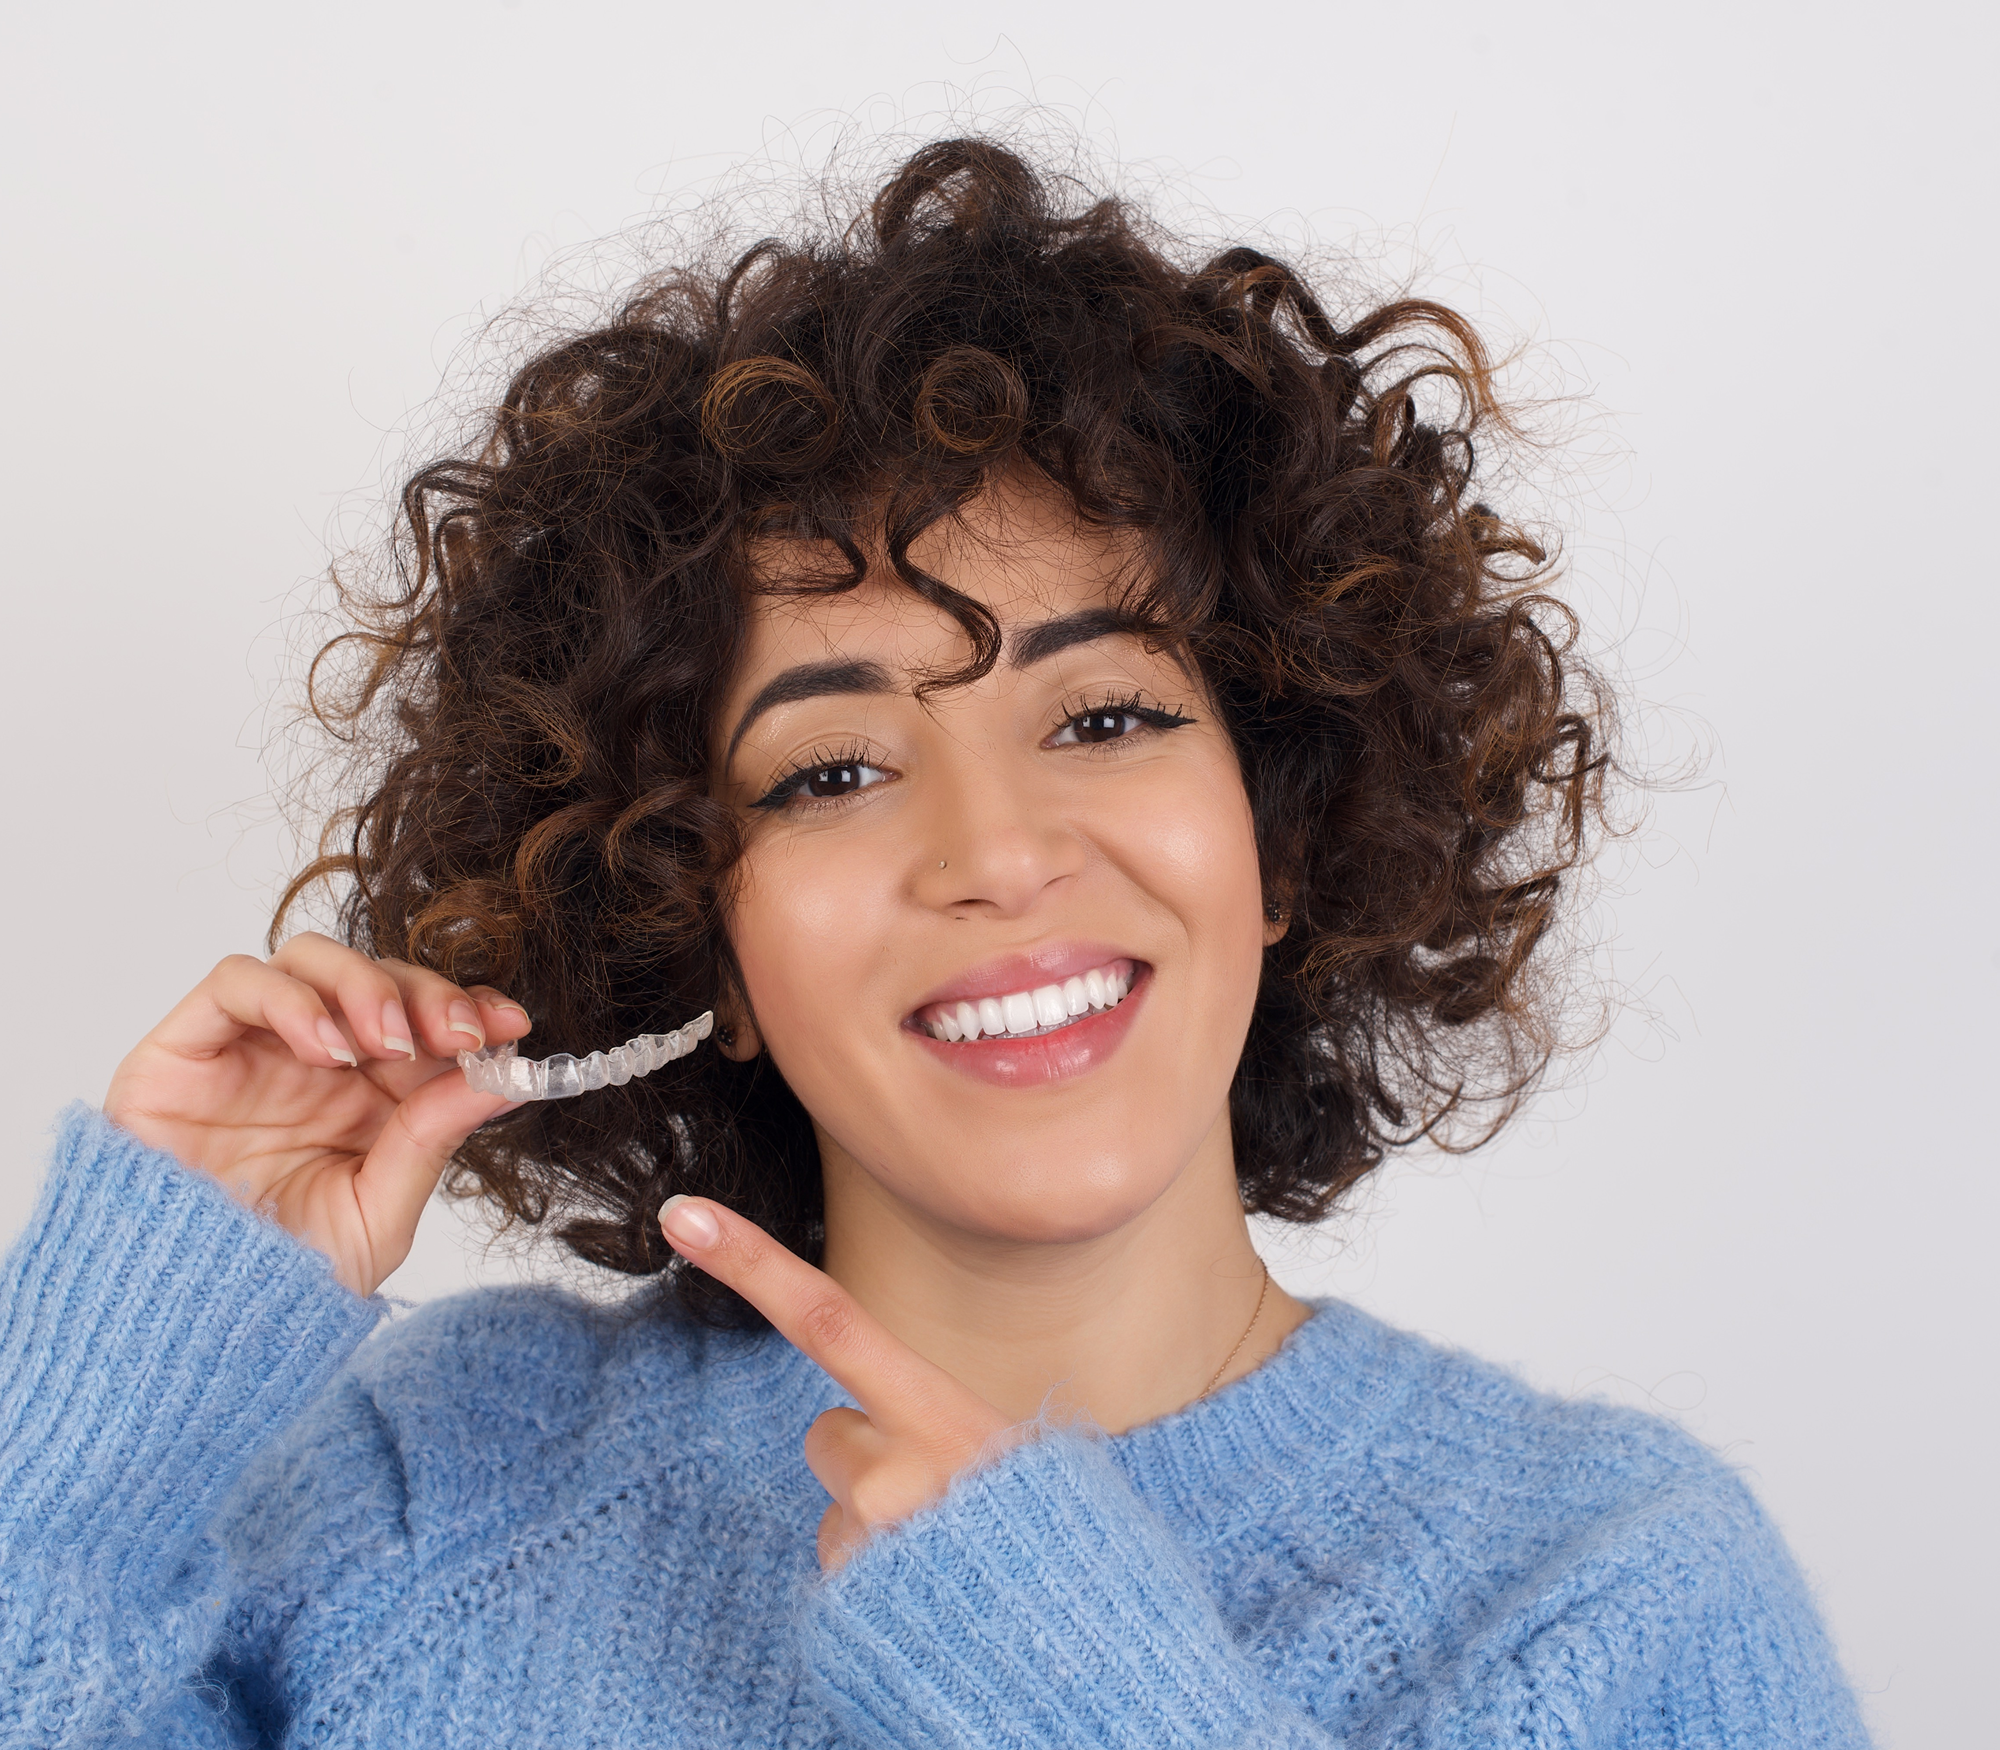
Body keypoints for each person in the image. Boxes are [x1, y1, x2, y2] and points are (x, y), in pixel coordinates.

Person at [0, 139, 1870, 1747]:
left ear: (1282, 830)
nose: (994, 853)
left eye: (1109, 717)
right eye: (829, 770)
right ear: (698, 931)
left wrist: (1076, 1683)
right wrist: (91, 1438)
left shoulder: (1616, 1597)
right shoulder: (438, 1474)